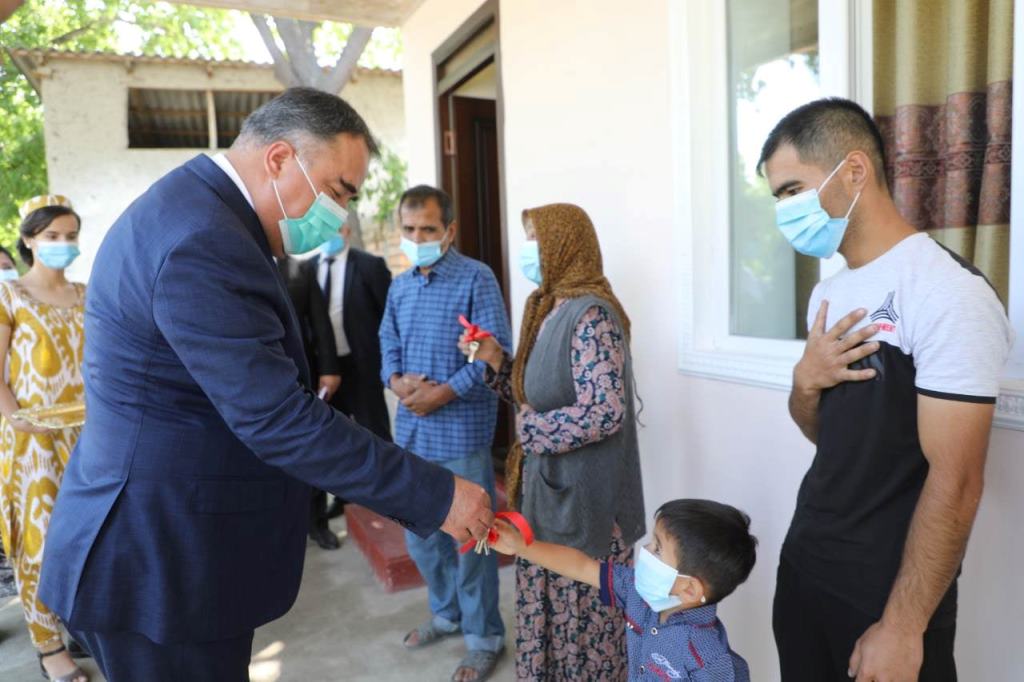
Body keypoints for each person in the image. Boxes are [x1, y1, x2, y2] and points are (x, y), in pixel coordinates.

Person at [37, 87, 495, 682]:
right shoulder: (203, 239)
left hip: (172, 545)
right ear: (279, 158)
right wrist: (435, 494)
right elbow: (277, 418)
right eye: (337, 191)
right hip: (159, 557)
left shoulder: (203, 213)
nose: (341, 215)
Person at [759, 98, 1014, 682]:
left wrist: (903, 625)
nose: (785, 212)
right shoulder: (828, 293)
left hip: (882, 590)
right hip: (806, 563)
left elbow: (958, 479)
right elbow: (827, 434)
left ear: (854, 171)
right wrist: (804, 383)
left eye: (792, 190)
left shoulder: (948, 293)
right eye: (778, 198)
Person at [465, 203, 646, 680]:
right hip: (548, 498)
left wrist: (530, 432)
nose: (529, 250)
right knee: (547, 621)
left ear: (565, 246)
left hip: (585, 506)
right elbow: (537, 398)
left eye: (536, 240)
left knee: (584, 634)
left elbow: (605, 410)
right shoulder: (547, 308)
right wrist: (495, 360)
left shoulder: (592, 315)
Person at [380, 185, 511, 682]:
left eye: (428, 230)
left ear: (449, 231)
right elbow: (387, 341)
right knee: (421, 540)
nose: (417, 239)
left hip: (460, 435)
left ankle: (484, 637)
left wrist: (443, 394)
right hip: (412, 434)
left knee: (471, 541)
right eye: (409, 230)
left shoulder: (476, 278)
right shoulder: (400, 285)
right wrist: (395, 380)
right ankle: (446, 614)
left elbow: (492, 354)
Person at [490, 499, 756, 681]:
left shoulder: (709, 658)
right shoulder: (638, 591)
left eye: (658, 549)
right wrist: (521, 546)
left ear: (689, 589)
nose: (646, 550)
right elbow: (583, 567)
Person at [0, 195, 87, 682]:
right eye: (52, 236)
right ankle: (49, 646)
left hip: (89, 434)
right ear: (30, 239)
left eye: (70, 236)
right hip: (32, 439)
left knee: (90, 535)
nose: (62, 244)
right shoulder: (9, 295)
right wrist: (20, 421)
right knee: (39, 541)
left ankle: (83, 625)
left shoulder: (87, 294)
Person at [307, 215, 393, 522]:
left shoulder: (369, 266)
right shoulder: (308, 268)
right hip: (326, 368)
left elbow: (389, 317)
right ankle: (343, 497)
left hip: (363, 363)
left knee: (374, 428)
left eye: (331, 228)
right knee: (337, 434)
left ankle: (388, 494)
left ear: (345, 230)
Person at [276, 253, 345, 550]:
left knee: (313, 446)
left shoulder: (299, 269)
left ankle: (318, 523)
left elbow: (320, 322)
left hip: (303, 375)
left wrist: (329, 368)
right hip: (258, 377)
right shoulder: (236, 260)